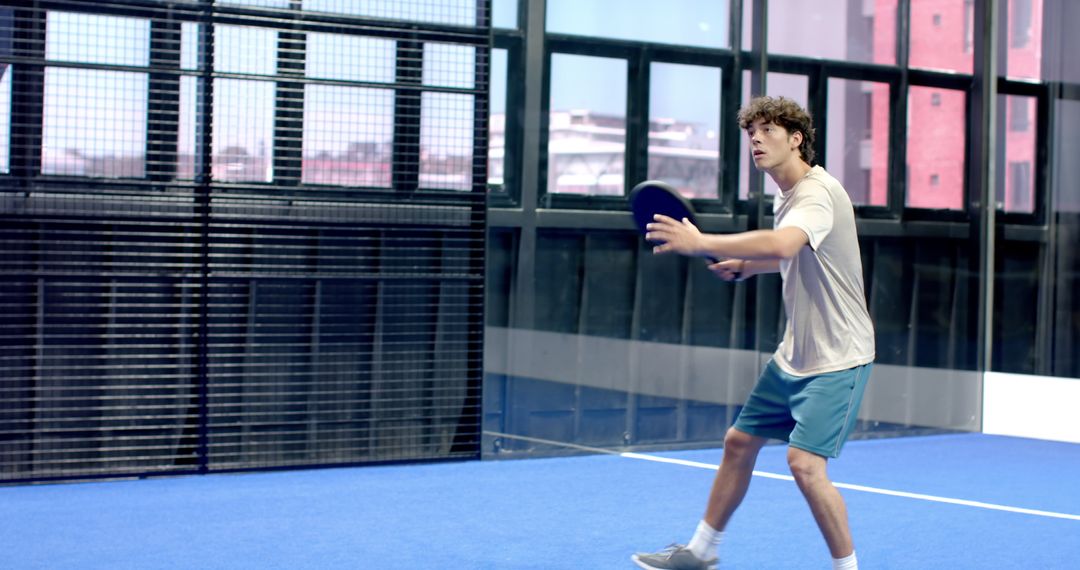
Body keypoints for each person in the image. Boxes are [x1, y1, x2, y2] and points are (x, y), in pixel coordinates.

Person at [631, 96, 875, 570]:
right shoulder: (786, 196)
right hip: (793, 356)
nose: (757, 140)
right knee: (738, 443)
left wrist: (702, 242)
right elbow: (796, 256)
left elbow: (785, 242)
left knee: (805, 465)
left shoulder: (816, 193)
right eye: (751, 133)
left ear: (796, 139)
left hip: (839, 358)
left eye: (767, 130)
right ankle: (701, 552)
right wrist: (747, 265)